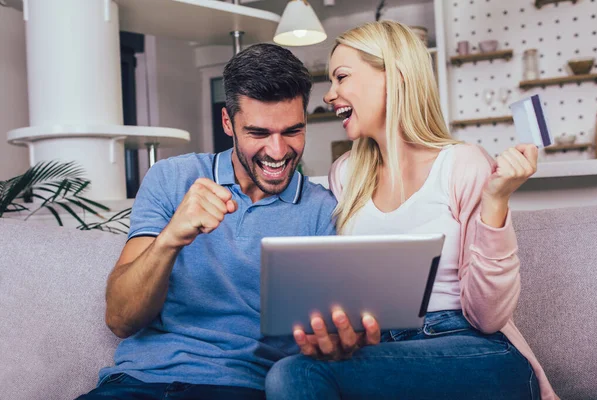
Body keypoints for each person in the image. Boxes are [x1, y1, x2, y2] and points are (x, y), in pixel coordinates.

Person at [265, 21, 557, 400]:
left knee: (295, 376)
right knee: (292, 369)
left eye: (341, 77)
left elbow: (488, 317)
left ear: (396, 76)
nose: (329, 95)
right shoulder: (346, 173)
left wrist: (495, 201)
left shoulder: (463, 163)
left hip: (468, 347)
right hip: (380, 349)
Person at [77, 43, 337, 400]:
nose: (278, 152)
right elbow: (121, 319)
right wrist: (171, 238)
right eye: (259, 133)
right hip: (137, 384)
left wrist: (337, 341)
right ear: (228, 123)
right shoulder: (170, 178)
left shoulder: (323, 211)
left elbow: (326, 337)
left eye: (292, 131)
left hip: (239, 388)